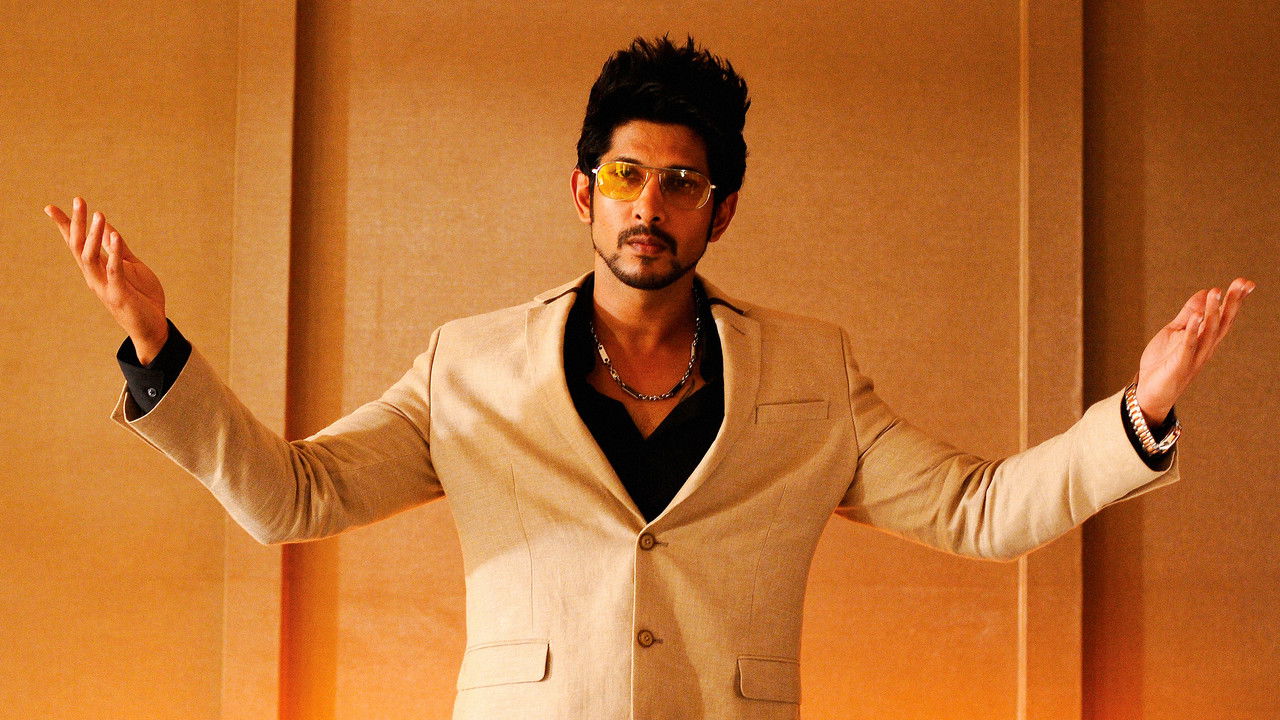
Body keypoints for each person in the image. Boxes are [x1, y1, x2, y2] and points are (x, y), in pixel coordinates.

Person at [48, 35, 1254, 720]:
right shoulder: (469, 366)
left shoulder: (810, 373)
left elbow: (978, 512)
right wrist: (156, 347)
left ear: (718, 211)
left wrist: (1139, 413)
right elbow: (291, 496)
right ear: (583, 191)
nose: (648, 206)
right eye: (626, 177)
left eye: (680, 184)